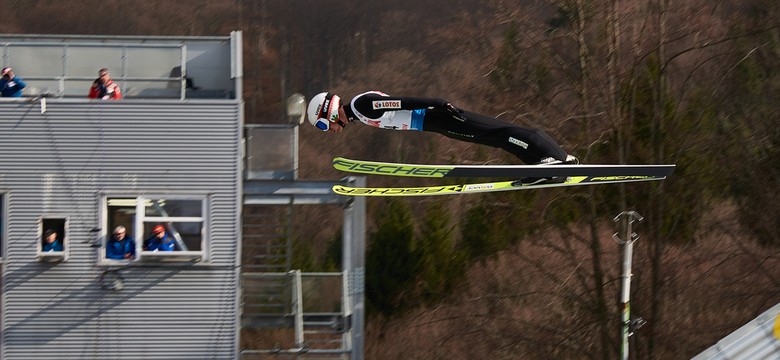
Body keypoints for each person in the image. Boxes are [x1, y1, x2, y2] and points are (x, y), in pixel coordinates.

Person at [306, 91, 577, 166]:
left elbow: (404, 101)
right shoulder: (357, 113)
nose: (326, 130)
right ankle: (541, 164)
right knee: (496, 138)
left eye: (322, 124)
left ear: (328, 111)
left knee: (501, 131)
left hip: (437, 118)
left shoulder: (362, 105)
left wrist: (439, 104)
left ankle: (556, 158)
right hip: (435, 124)